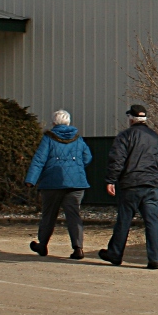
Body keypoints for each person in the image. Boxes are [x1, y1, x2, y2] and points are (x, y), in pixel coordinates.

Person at [101, 103, 158, 269]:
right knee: (152, 221)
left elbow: (117, 160)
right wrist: (155, 175)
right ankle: (155, 258)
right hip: (151, 184)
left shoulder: (125, 137)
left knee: (124, 220)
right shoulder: (155, 137)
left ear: (131, 119)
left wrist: (111, 180)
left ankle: (115, 253)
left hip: (130, 185)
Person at [25, 109, 92, 259]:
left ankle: (43, 245)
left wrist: (31, 180)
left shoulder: (48, 138)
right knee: (74, 215)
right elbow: (87, 157)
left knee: (49, 215)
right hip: (76, 183)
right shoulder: (77, 138)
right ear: (69, 122)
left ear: (54, 123)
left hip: (52, 182)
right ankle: (78, 248)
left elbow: (39, 160)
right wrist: (77, 168)